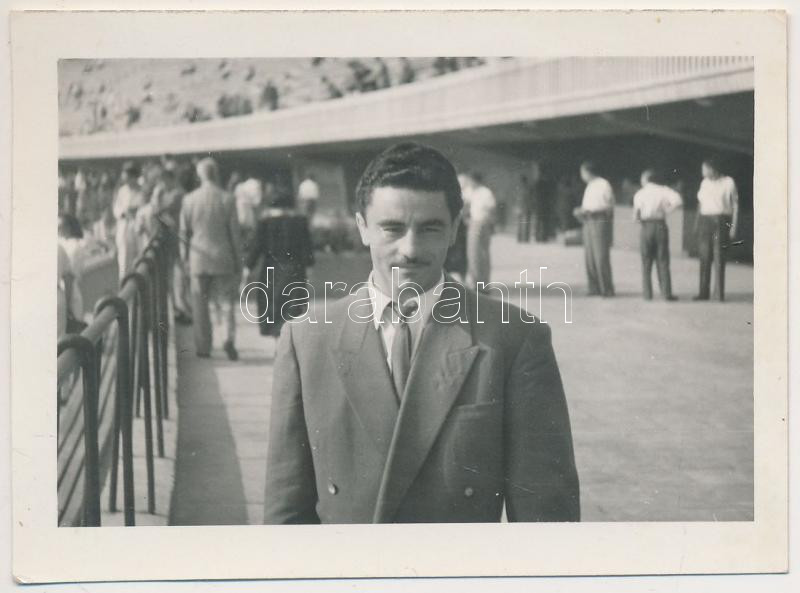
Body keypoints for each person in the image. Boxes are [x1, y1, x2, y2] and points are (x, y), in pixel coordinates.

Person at [263, 142, 579, 524]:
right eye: (392, 229)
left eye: (430, 228)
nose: (410, 249)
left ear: (455, 229)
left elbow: (546, 521)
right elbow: (285, 518)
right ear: (362, 228)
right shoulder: (306, 340)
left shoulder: (514, 339)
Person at [180, 158, 243, 360]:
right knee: (226, 304)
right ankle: (228, 339)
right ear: (215, 174)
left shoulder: (189, 200)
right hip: (223, 257)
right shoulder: (227, 198)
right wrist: (239, 262)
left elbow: (184, 233)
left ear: (200, 175)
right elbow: (235, 235)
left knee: (200, 305)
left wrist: (184, 259)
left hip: (198, 258)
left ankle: (203, 346)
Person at [243, 192, 314, 338]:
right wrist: (310, 270)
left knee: (273, 308)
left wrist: (247, 269)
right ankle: (288, 343)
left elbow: (256, 248)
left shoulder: (265, 223)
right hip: (294, 271)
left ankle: (278, 341)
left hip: (271, 272)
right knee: (292, 310)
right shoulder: (300, 223)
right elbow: (307, 250)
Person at [632, 169, 683, 301]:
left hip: (646, 226)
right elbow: (678, 200)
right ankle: (666, 293)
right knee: (663, 260)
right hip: (660, 225)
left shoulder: (640, 193)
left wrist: (639, 220)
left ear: (646, 179)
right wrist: (667, 210)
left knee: (646, 261)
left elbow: (636, 215)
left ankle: (647, 294)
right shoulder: (664, 190)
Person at [694, 156, 739, 301]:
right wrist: (696, 224)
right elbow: (700, 204)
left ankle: (718, 294)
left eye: (704, 169)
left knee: (719, 256)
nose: (702, 172)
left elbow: (735, 205)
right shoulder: (704, 183)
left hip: (720, 221)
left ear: (712, 169)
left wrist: (733, 227)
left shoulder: (728, 182)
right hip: (705, 221)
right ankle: (703, 293)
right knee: (704, 257)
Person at [574, 160, 615, 297]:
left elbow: (608, 205)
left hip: (599, 220)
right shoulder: (590, 186)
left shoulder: (603, 184)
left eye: (582, 172)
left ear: (587, 172)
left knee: (600, 255)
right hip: (588, 221)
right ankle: (594, 287)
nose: (581, 175)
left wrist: (590, 211)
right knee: (590, 256)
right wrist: (582, 211)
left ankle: (607, 289)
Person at [460, 171, 497, 290]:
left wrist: (491, 224)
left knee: (480, 253)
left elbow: (491, 208)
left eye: (471, 181)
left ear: (475, 181)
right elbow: (463, 202)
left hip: (482, 222)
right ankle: (476, 281)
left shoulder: (485, 192)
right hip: (474, 222)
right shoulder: (471, 191)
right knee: (473, 253)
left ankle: (482, 282)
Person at [112, 161, 146, 281]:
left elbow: (143, 208)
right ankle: (124, 286)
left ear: (133, 176)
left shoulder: (141, 191)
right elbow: (116, 208)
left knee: (139, 260)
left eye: (127, 176)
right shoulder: (122, 191)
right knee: (124, 263)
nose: (125, 179)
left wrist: (135, 211)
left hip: (137, 229)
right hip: (124, 229)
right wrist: (123, 213)